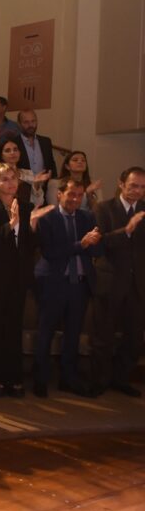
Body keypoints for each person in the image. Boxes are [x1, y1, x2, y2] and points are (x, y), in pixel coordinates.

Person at [0, 163, 48, 397]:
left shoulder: (26, 206)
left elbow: (31, 246)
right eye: (5, 179)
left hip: (18, 277)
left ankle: (13, 377)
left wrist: (33, 227)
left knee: (13, 328)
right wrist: (13, 224)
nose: (11, 183)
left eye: (13, 178)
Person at [32, 178, 102, 398]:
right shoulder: (48, 218)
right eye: (71, 194)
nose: (74, 199)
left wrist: (94, 244)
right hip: (53, 283)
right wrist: (81, 244)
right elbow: (50, 252)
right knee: (46, 333)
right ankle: (40, 380)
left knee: (73, 335)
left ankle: (68, 379)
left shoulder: (87, 217)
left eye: (79, 195)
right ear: (59, 194)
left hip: (79, 285)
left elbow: (95, 252)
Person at [90, 166, 145, 397]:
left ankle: (120, 379)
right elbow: (100, 243)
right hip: (110, 281)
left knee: (134, 338)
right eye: (133, 186)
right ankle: (99, 381)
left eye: (142, 187)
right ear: (121, 184)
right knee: (103, 336)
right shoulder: (104, 208)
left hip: (138, 284)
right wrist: (127, 230)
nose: (137, 191)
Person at [15, 110, 57, 178]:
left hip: (44, 185)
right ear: (19, 124)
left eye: (33, 121)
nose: (30, 125)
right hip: (23, 186)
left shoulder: (46, 142)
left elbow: (51, 165)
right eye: (26, 122)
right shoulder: (13, 143)